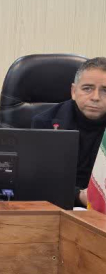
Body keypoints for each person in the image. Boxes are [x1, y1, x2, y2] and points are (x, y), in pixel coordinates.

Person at [33, 57, 106, 207]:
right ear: (73, 91)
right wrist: (78, 196)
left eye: (105, 90)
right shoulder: (45, 123)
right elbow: (39, 179)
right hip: (57, 206)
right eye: (87, 88)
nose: (96, 97)